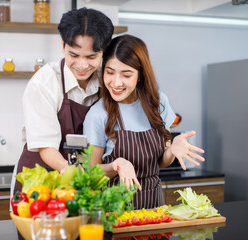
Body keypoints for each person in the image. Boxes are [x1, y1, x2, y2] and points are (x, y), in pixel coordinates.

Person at [83, 34, 205, 210]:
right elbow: (91, 173)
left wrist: (172, 150)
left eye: (126, 74)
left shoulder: (158, 102)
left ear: (140, 75)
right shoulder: (98, 114)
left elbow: (160, 161)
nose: (116, 83)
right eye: (109, 72)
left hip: (154, 209)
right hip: (114, 214)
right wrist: (116, 165)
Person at [12, 7, 114, 194]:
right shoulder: (44, 83)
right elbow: (46, 147)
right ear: (63, 46)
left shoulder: (107, 80)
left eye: (91, 57)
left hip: (82, 180)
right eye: (73, 55)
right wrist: (70, 171)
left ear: (103, 52)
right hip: (40, 180)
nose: (82, 66)